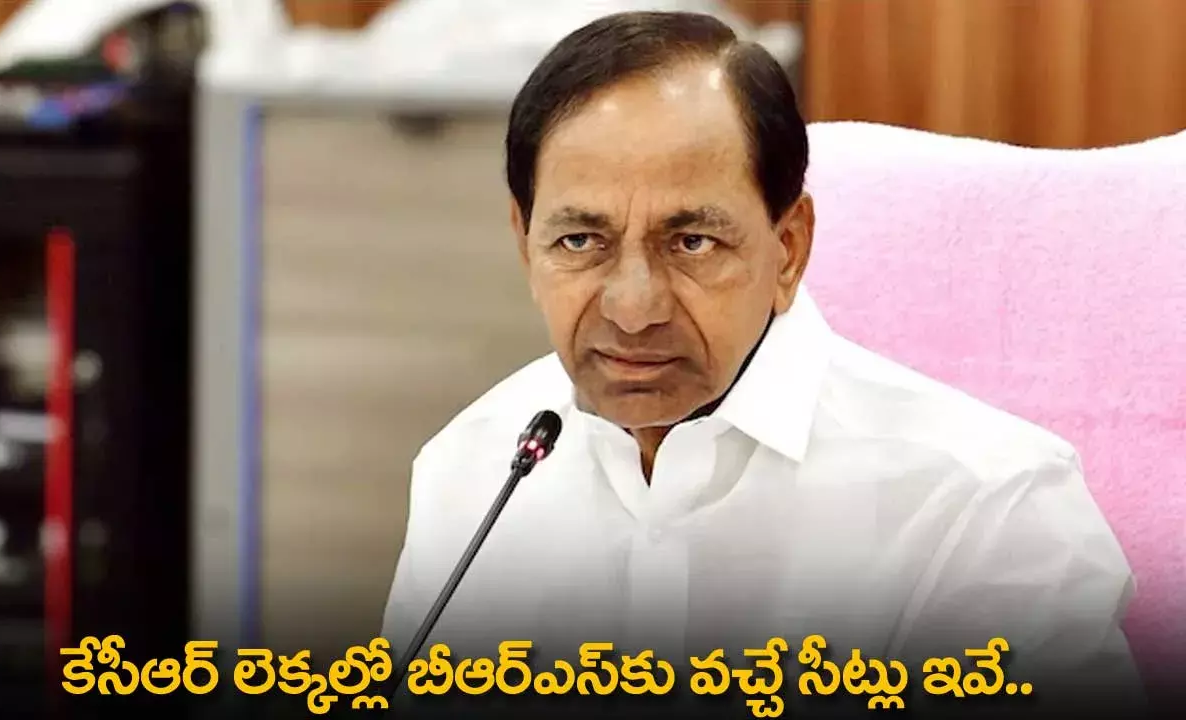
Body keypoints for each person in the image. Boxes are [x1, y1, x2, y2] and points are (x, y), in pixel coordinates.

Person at [382, 10, 1142, 714]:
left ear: (788, 247)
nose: (633, 308)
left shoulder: (986, 507)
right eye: (580, 241)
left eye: (692, 242)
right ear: (526, 244)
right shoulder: (471, 472)